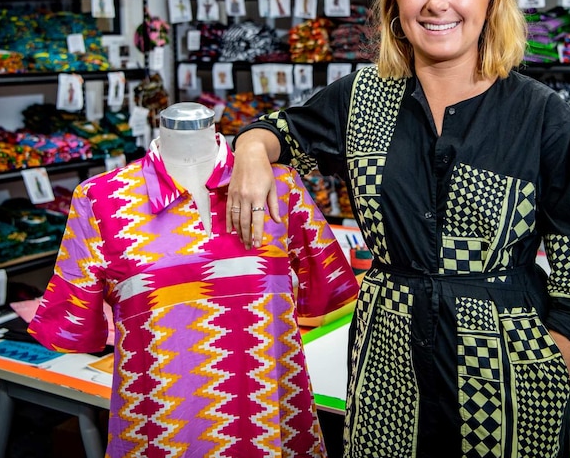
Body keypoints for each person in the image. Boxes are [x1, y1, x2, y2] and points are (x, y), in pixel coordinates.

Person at [227, 0, 570, 458]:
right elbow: (280, 133)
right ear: (395, 3)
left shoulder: (541, 115)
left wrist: (549, 378)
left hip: (507, 372)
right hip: (389, 361)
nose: (437, 2)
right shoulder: (361, 97)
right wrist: (250, 147)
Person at [30, 102, 358, 458]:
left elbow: (331, 286)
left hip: (272, 414)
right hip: (159, 422)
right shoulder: (100, 199)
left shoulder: (281, 188)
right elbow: (70, 325)